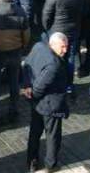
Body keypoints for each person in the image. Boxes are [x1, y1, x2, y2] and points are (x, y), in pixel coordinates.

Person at [23, 33, 71, 172]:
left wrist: (27, 86)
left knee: (35, 132)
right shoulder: (54, 64)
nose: (65, 50)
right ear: (52, 44)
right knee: (53, 135)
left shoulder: (38, 46)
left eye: (66, 46)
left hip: (36, 104)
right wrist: (33, 93)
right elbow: (39, 87)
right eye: (62, 47)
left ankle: (31, 161)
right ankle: (51, 164)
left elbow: (27, 65)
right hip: (50, 105)